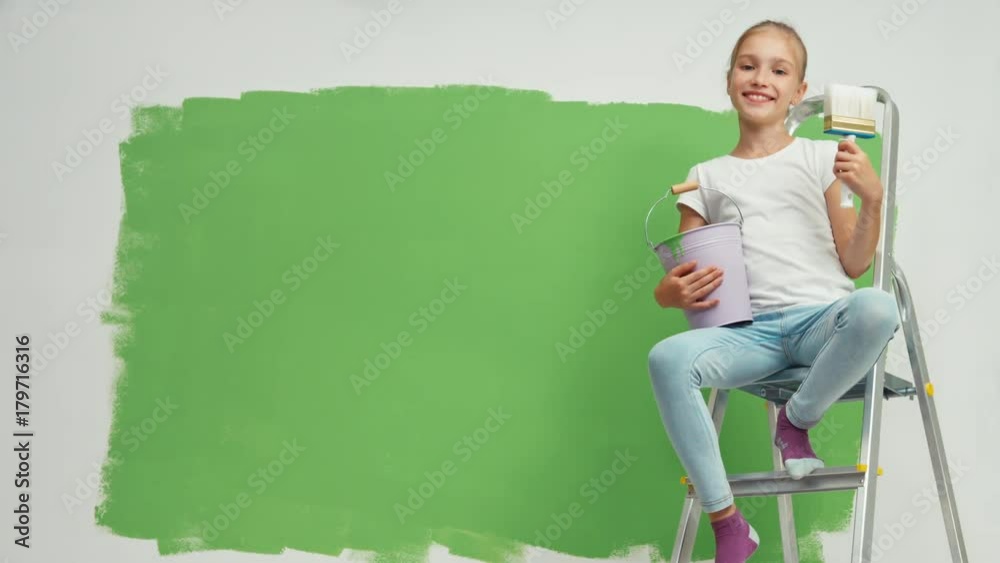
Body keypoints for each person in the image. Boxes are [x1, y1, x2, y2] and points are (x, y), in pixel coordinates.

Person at [647, 20, 900, 563]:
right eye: (748, 65)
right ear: (730, 78)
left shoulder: (821, 160)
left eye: (778, 70)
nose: (761, 78)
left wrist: (872, 200)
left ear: (799, 91)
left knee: (878, 306)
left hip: (820, 322)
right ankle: (729, 524)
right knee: (666, 357)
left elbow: (855, 264)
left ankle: (797, 420)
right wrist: (668, 294)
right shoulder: (704, 176)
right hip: (747, 334)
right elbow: (686, 279)